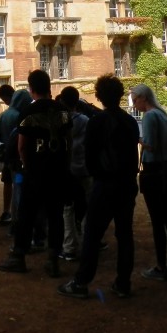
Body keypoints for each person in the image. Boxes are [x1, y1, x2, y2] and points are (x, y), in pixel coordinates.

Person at [57, 74, 140, 299]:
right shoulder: (130, 121)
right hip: (126, 184)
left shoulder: (97, 122)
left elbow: (90, 157)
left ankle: (81, 282)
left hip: (105, 185)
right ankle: (123, 283)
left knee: (92, 234)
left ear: (99, 96)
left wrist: (98, 177)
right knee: (125, 234)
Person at [0, 70, 71, 277]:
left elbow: (22, 146)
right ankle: (53, 259)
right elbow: (69, 141)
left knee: (26, 214)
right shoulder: (63, 110)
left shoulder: (28, 112)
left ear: (31, 89)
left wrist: (27, 166)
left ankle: (19, 256)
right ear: (48, 86)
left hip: (35, 171)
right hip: (57, 170)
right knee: (55, 215)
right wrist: (64, 164)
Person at [130, 83, 167, 280]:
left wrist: (137, 139)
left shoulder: (150, 116)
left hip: (153, 171)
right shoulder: (161, 114)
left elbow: (150, 145)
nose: (134, 104)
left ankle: (161, 266)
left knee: (157, 221)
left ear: (144, 98)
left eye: (135, 100)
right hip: (163, 169)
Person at [58, 85, 91, 261]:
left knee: (68, 208)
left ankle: (69, 246)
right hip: (85, 168)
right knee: (88, 205)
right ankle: (90, 241)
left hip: (68, 169)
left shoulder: (61, 120)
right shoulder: (85, 120)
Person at [0, 83, 27, 227]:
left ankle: (7, 212)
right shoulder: (21, 115)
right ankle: (18, 219)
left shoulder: (4, 114)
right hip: (19, 160)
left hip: (8, 157)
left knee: (8, 183)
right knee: (19, 186)